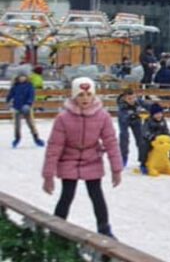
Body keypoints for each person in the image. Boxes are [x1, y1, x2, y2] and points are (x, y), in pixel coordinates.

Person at [41, 78, 122, 238]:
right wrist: (48, 176)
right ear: (74, 96)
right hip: (69, 159)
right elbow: (54, 147)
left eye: (88, 94)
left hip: (91, 158)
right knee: (67, 194)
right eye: (81, 95)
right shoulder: (63, 118)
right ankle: (56, 230)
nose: (85, 98)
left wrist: (116, 169)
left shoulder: (102, 116)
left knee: (96, 194)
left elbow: (111, 142)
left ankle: (104, 228)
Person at [141, 103, 170, 173]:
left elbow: (166, 130)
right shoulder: (148, 121)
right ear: (152, 115)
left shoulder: (163, 121)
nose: (159, 115)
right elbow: (144, 131)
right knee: (144, 146)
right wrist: (151, 137)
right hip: (152, 141)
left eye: (160, 113)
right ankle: (143, 164)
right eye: (156, 114)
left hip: (162, 141)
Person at [7, 73, 42, 147]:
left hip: (27, 108)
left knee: (31, 124)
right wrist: (8, 101)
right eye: (20, 77)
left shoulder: (29, 86)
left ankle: (36, 138)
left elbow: (31, 96)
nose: (22, 78)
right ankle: (17, 138)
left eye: (24, 77)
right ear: (18, 77)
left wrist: (28, 104)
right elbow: (10, 95)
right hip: (17, 107)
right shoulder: (15, 86)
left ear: (26, 77)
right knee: (17, 125)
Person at [114, 88, 144, 165]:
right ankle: (123, 158)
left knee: (141, 139)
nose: (132, 100)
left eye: (133, 98)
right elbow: (123, 116)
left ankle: (143, 159)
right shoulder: (122, 105)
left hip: (136, 121)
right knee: (124, 137)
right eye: (129, 99)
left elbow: (148, 105)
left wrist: (156, 109)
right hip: (124, 121)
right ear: (124, 98)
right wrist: (131, 115)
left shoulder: (138, 101)